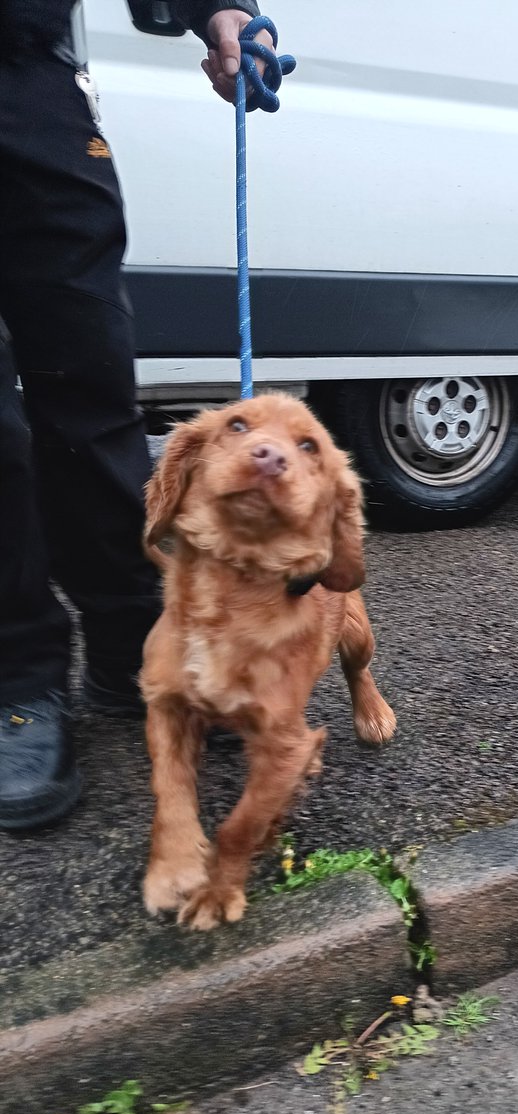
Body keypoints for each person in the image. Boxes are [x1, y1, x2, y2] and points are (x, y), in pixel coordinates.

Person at [0, 0, 265, 831]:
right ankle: (17, 681)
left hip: (29, 76)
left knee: (91, 383)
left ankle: (132, 649)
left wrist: (223, 11)